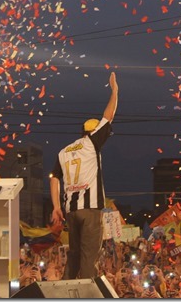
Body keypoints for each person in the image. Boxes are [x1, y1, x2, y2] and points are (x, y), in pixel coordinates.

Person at [50, 72, 118, 279]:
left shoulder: (64, 151)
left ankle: (64, 290)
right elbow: (108, 117)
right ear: (92, 132)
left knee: (74, 255)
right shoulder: (92, 143)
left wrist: (56, 207)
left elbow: (54, 178)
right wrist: (115, 90)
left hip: (71, 210)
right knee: (89, 256)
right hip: (89, 210)